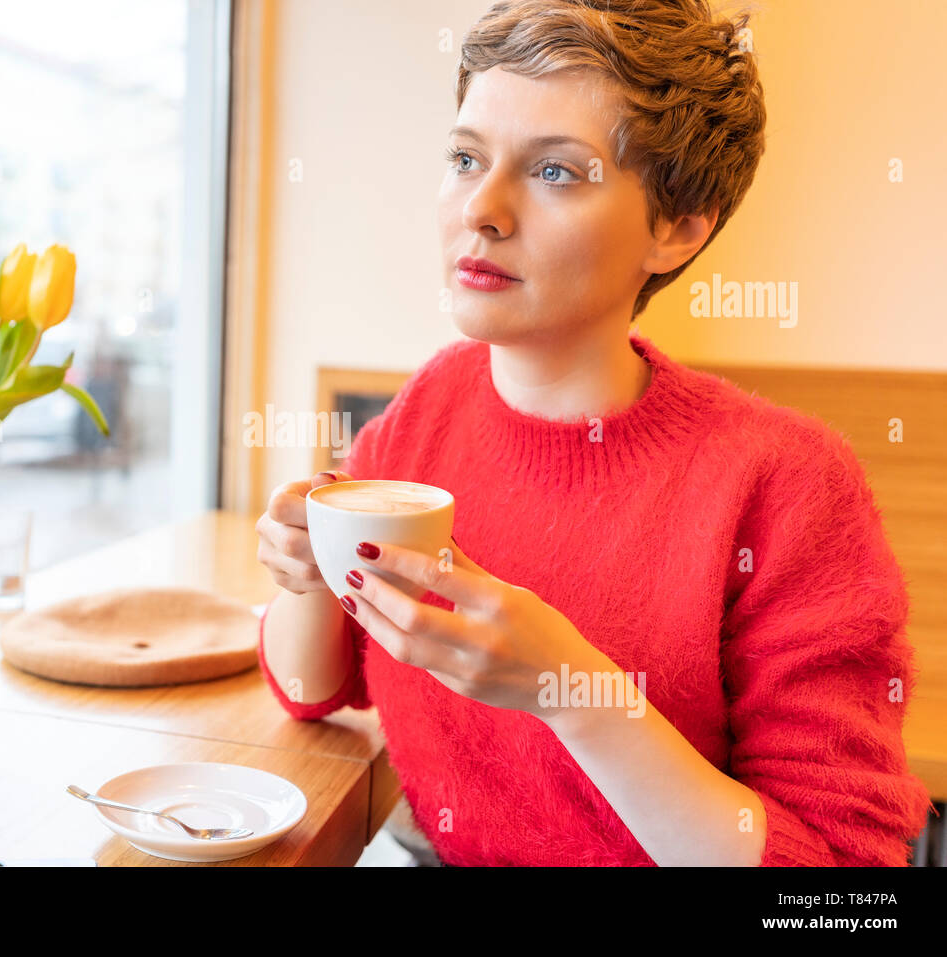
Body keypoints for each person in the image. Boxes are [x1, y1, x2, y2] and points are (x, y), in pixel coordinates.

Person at [254, 0, 932, 866]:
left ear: (679, 228)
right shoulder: (428, 410)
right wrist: (308, 572)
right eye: (466, 158)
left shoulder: (786, 483)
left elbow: (837, 883)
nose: (483, 210)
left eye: (557, 173)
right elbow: (315, 687)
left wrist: (572, 692)